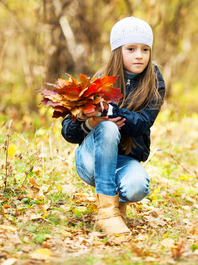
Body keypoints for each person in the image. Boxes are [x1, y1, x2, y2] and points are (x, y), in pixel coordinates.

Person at [61, 17, 165, 236]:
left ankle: (116, 210)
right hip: (91, 160)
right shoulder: (100, 81)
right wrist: (91, 122)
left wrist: (112, 111)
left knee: (137, 186)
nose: (139, 55)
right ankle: (107, 213)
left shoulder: (154, 81)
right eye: (131, 48)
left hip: (125, 160)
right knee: (108, 127)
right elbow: (68, 132)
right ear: (118, 51)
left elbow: (142, 123)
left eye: (145, 49)